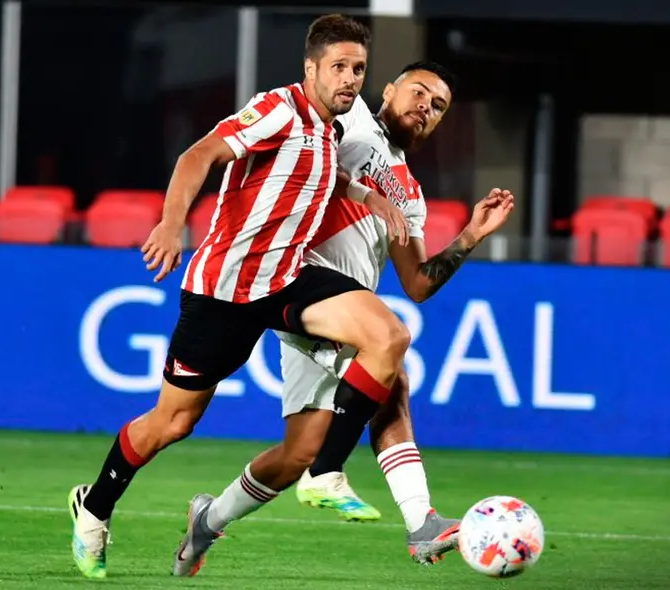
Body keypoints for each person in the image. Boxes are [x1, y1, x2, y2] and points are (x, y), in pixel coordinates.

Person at [67, 14, 416, 580]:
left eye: (358, 69)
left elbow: (321, 175)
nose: (350, 79)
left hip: (285, 281)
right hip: (223, 292)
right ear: (311, 68)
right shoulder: (278, 109)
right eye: (339, 67)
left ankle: (325, 472)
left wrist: (368, 196)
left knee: (389, 335)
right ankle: (94, 505)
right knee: (172, 422)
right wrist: (171, 224)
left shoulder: (330, 129)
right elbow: (197, 156)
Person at [173, 61, 515, 575]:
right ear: (390, 90)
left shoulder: (411, 194)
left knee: (295, 454)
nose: (426, 106)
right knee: (392, 378)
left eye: (439, 106)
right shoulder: (347, 120)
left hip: (341, 310)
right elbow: (300, 162)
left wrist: (469, 236)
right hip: (295, 282)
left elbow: (418, 283)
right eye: (419, 92)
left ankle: (208, 519)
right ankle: (417, 520)